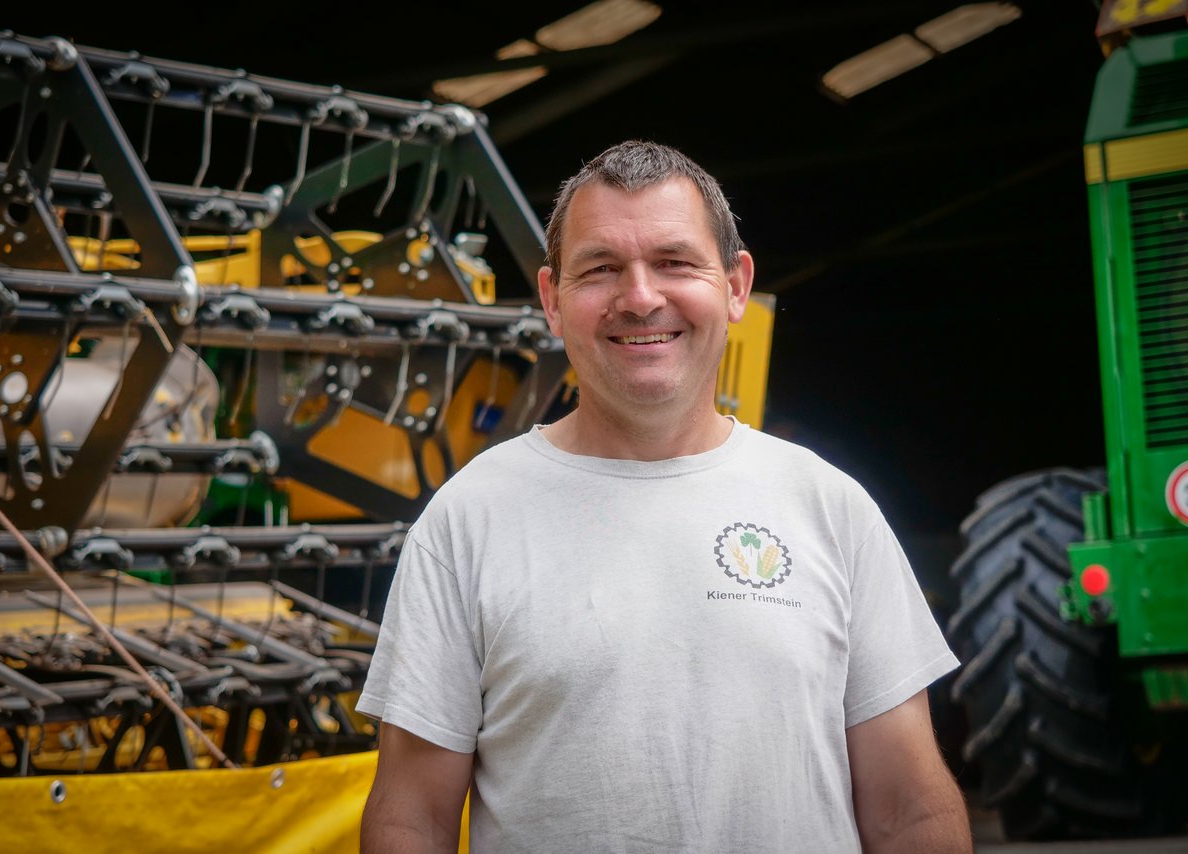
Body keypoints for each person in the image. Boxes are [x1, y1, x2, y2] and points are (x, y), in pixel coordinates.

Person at [357, 140, 971, 853]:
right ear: (552, 300)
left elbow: (910, 813)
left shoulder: (830, 507)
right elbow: (412, 820)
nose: (641, 297)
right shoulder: (469, 520)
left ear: (736, 285)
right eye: (602, 269)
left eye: (675, 262)